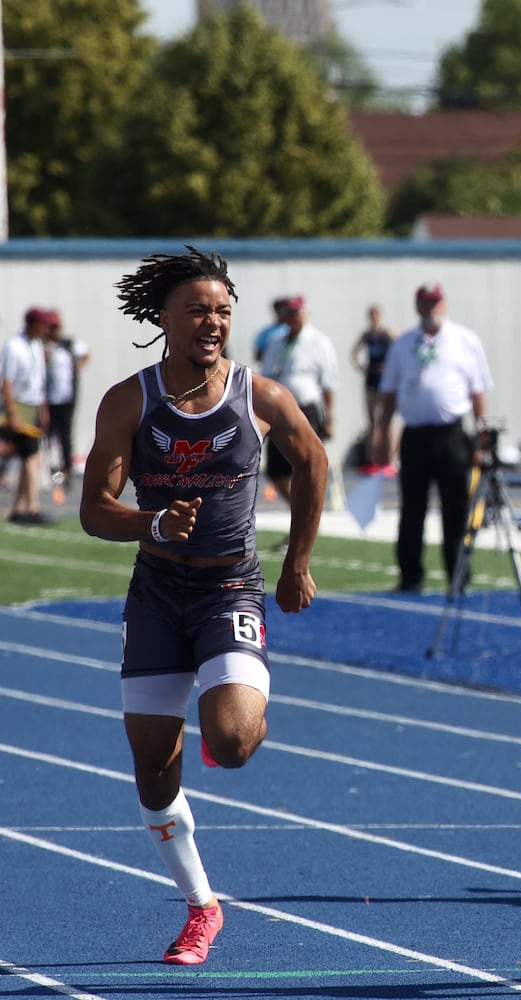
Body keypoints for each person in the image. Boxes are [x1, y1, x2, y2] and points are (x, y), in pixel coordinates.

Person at [78, 246, 327, 964]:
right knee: (154, 769)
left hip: (229, 588)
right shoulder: (131, 400)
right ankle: (201, 907)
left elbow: (311, 459)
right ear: (165, 319)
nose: (212, 321)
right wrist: (152, 523)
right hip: (156, 594)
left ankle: (233, 704)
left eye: (222, 310)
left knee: (233, 744)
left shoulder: (261, 396)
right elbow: (96, 509)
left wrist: (297, 563)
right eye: (197, 310)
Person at [378, 283, 493, 593]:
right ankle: (410, 575)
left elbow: (477, 392)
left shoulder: (464, 340)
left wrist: (482, 437)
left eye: (435, 302)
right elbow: (388, 395)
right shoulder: (402, 344)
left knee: (455, 508)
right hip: (415, 435)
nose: (431, 308)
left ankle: (458, 575)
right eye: (426, 302)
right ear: (418, 306)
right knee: (412, 508)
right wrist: (382, 433)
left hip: (452, 434)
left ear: (444, 303)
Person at [259, 297, 338, 504]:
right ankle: (298, 506)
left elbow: (328, 383)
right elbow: (266, 375)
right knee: (276, 469)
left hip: (306, 408)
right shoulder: (277, 341)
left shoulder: (319, 341)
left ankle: (309, 510)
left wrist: (329, 418)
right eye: (289, 313)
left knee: (307, 462)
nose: (292, 318)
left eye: (296, 313)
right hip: (279, 410)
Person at [1, 308, 54, 523]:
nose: (47, 329)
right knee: (32, 458)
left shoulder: (36, 345)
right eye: (43, 324)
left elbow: (38, 381)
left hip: (32, 407)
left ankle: (17, 509)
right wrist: (12, 413)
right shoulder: (14, 346)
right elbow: (7, 381)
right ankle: (33, 507)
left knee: (28, 458)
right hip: (19, 407)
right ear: (33, 324)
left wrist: (43, 409)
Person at [44, 311, 89, 494]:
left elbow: (85, 353)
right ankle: (48, 468)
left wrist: (77, 367)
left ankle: (66, 469)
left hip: (66, 397)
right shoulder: (43, 345)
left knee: (65, 434)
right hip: (49, 398)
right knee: (47, 433)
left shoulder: (68, 344)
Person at [351, 304, 395, 472]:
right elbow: (354, 354)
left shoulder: (387, 334)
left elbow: (399, 349)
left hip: (384, 382)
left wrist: (390, 367)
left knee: (386, 422)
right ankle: (373, 458)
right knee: (371, 423)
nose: (374, 319)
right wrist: (362, 367)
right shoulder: (367, 335)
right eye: (372, 315)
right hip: (371, 381)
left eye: (377, 315)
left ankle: (389, 459)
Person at [250, 297, 291, 363]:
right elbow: (257, 356)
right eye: (280, 309)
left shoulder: (293, 330)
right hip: (270, 371)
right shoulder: (265, 332)